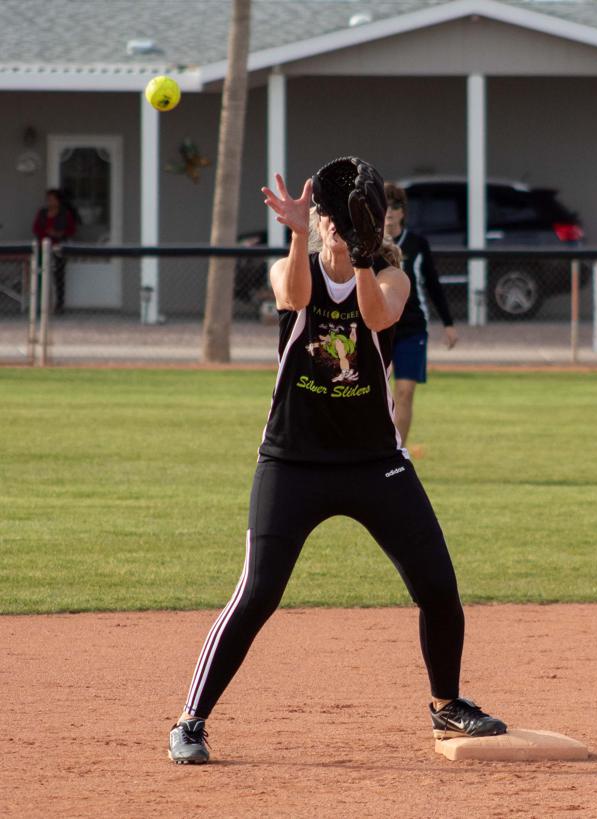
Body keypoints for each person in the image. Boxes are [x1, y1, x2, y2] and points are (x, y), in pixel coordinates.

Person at [167, 156, 507, 765]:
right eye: (327, 215)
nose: (334, 225)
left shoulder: (392, 277)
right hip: (292, 462)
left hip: (375, 463)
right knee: (258, 592)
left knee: (439, 588)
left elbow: (377, 317)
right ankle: (190, 721)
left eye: (346, 217)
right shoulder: (290, 265)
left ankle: (446, 705)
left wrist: (367, 254)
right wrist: (300, 234)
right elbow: (294, 296)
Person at [383, 182, 458, 448]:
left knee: (405, 392)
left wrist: (448, 324)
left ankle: (398, 452)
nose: (389, 212)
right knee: (376, 394)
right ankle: (375, 452)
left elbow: (433, 284)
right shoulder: (368, 244)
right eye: (384, 206)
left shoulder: (416, 243)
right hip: (378, 326)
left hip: (411, 328)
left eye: (394, 206)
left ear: (403, 212)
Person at [32, 188, 76, 313]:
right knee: (41, 274)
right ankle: (41, 304)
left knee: (58, 276)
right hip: (43, 247)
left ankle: (59, 304)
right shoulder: (42, 213)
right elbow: (35, 228)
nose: (49, 202)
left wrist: (58, 234)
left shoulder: (65, 214)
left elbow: (71, 230)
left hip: (58, 248)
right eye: (48, 199)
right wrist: (45, 233)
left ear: (58, 201)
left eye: (52, 199)